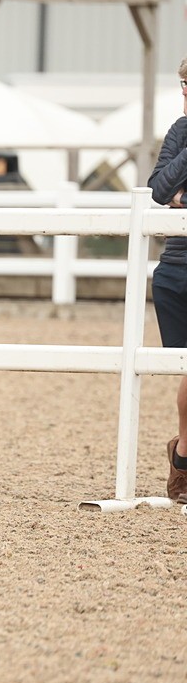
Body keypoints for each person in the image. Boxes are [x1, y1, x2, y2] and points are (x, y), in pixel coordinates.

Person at [148, 57, 187, 503]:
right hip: (176, 269)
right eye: (183, 84)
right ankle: (182, 457)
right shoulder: (181, 130)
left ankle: (182, 456)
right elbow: (159, 190)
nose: (185, 94)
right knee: (185, 368)